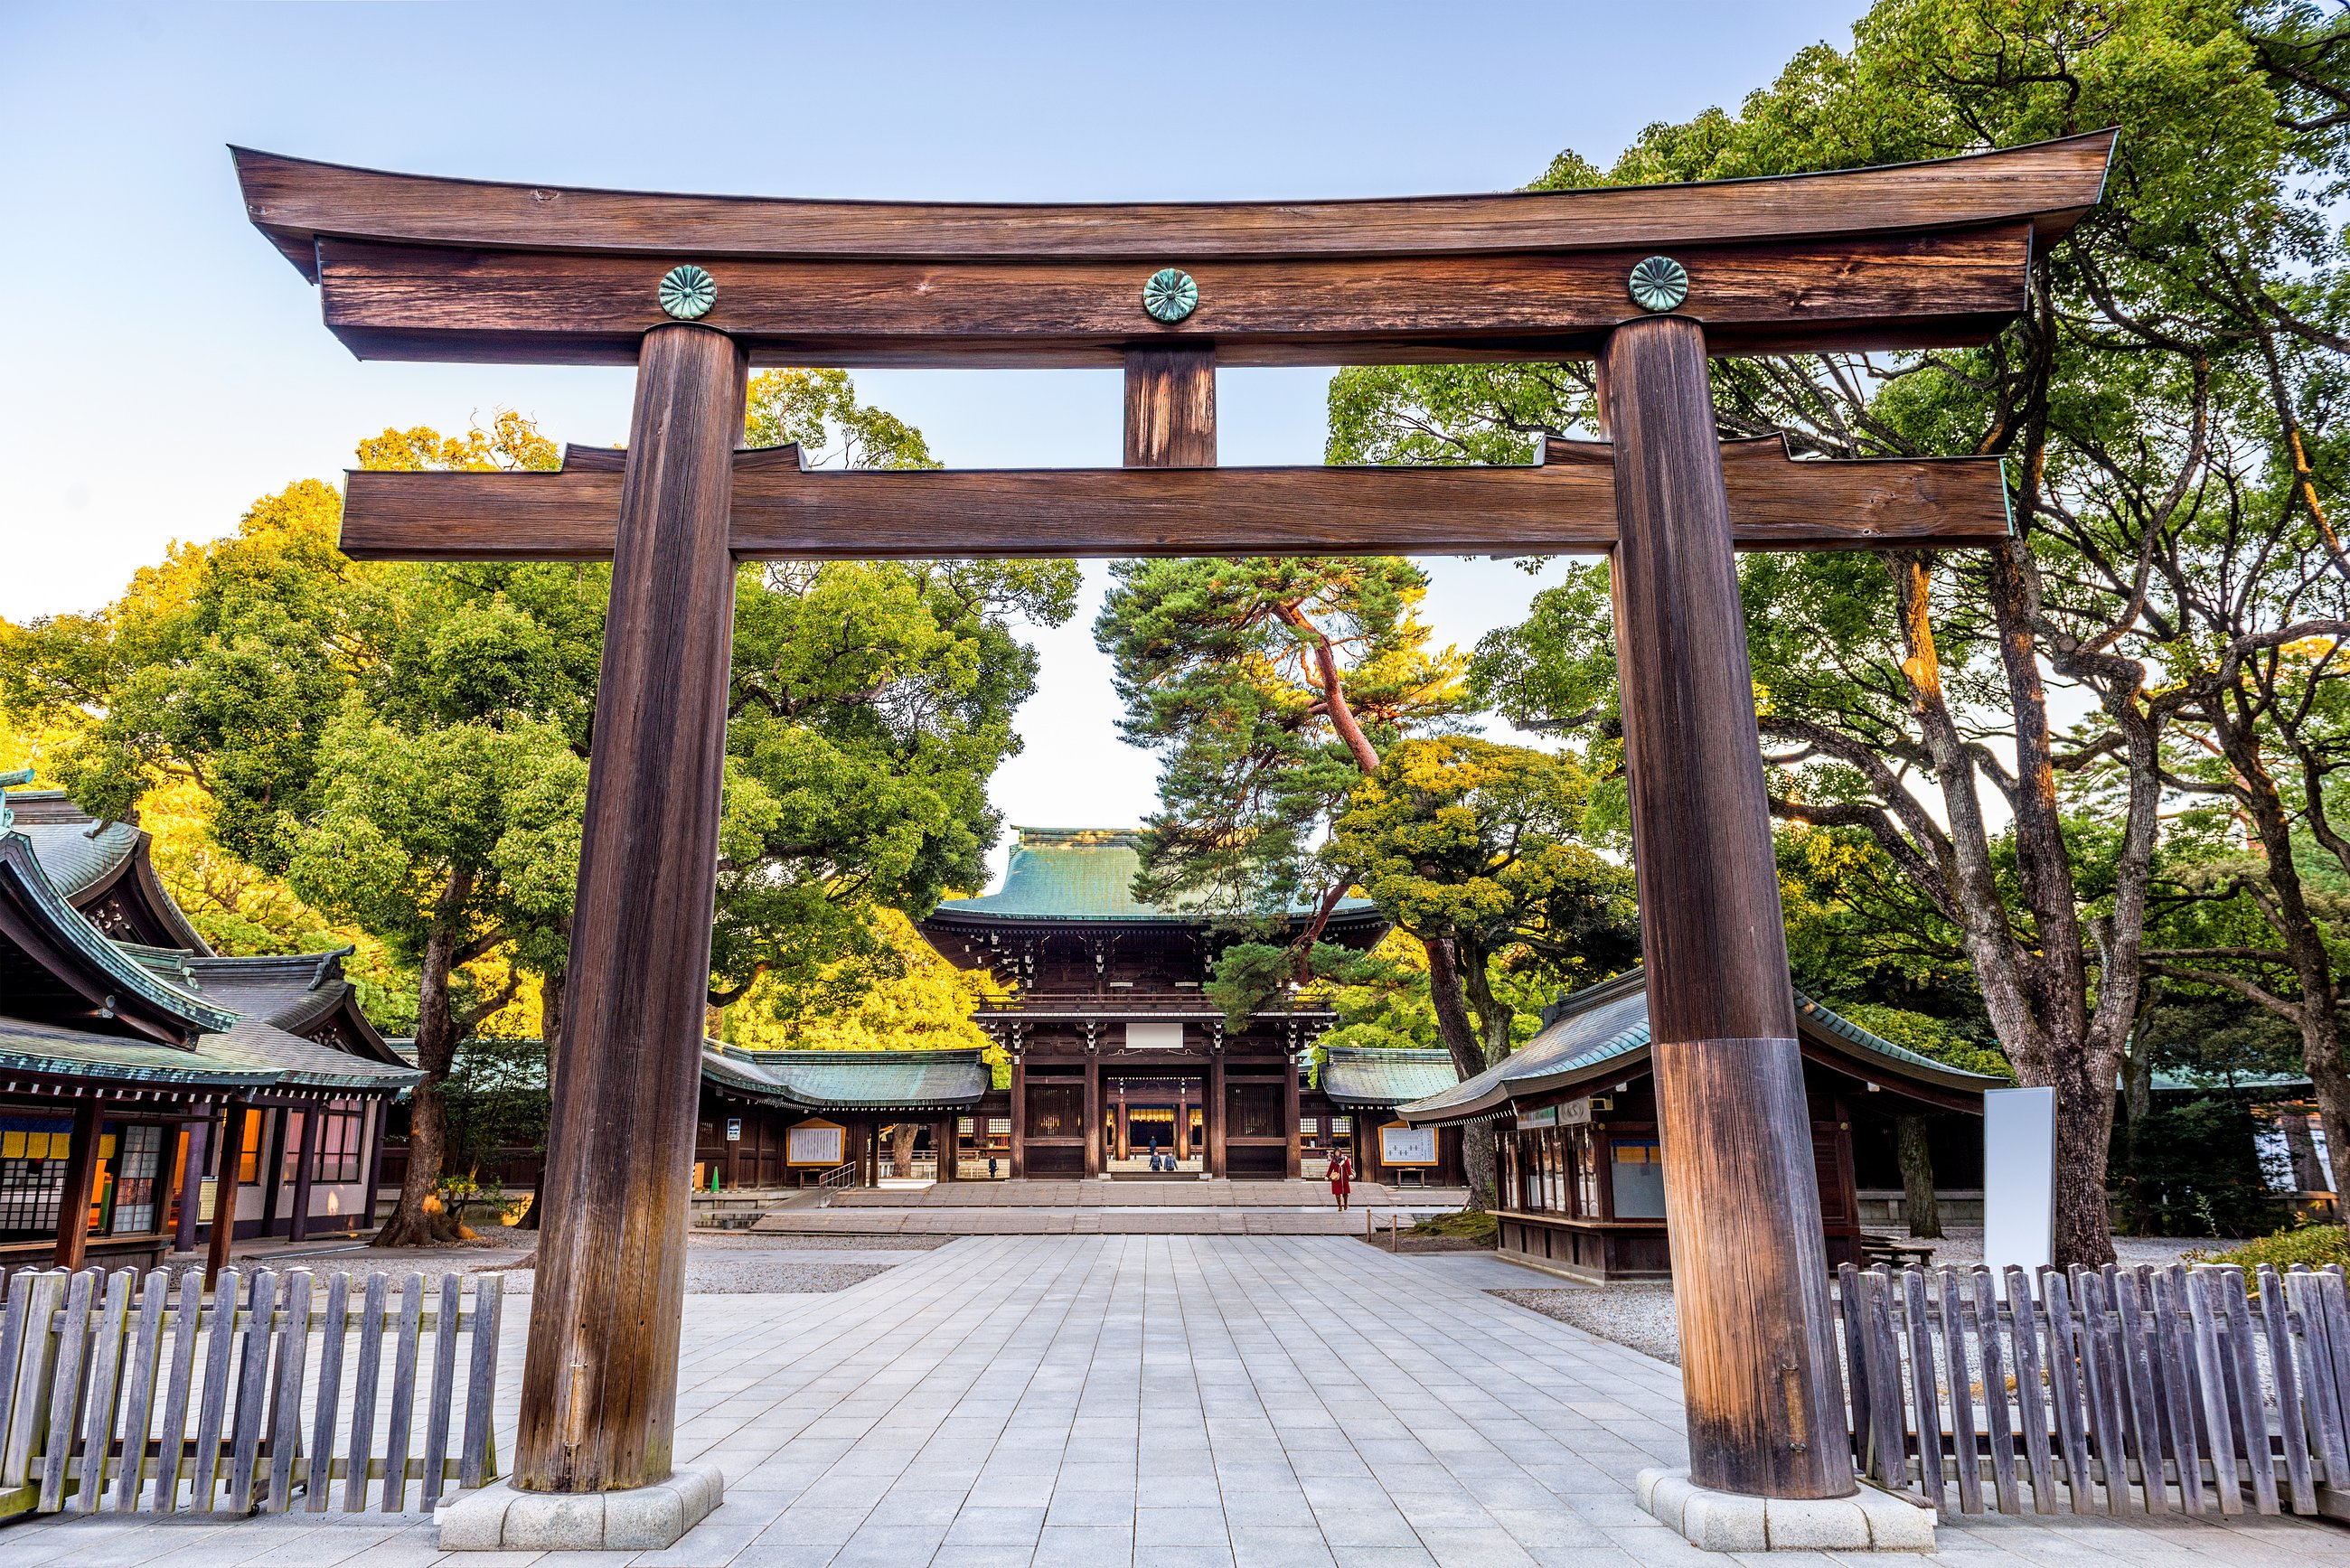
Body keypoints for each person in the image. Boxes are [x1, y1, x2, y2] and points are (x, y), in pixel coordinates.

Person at [1328, 1145, 1355, 1212]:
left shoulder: (1345, 1159)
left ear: (1340, 1152)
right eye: (1336, 1152)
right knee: (1337, 1193)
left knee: (1345, 1193)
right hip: (1336, 1178)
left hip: (1344, 1177)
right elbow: (1330, 1168)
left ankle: (1345, 1203)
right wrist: (1327, 1176)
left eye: (1338, 1152)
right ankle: (1339, 1206)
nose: (1337, 1153)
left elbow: (1348, 1167)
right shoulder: (1333, 1160)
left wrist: (1350, 1174)